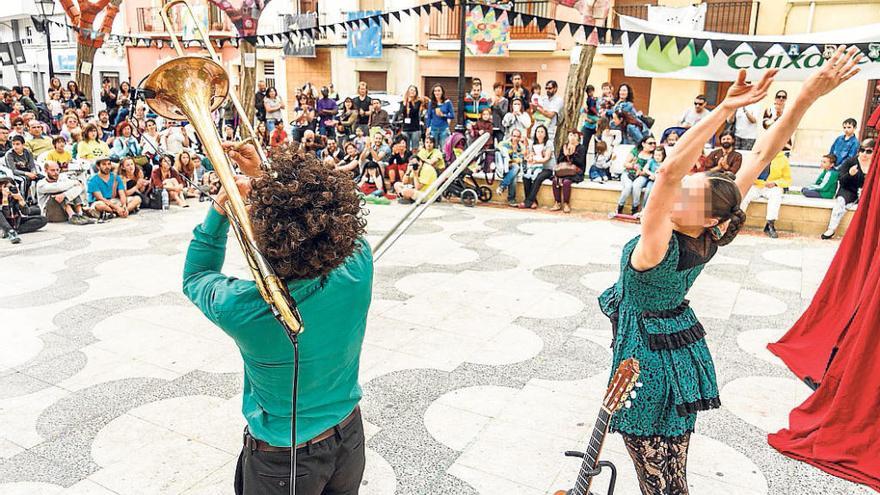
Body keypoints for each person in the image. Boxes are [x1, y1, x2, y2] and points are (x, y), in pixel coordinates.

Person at [599, 51, 856, 494]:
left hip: (647, 365)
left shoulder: (658, 244)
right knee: (672, 479)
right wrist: (808, 95)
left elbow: (665, 172)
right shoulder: (711, 227)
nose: (680, 190)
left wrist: (724, 108)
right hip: (676, 355)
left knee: (658, 481)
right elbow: (762, 151)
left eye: (689, 191)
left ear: (707, 216)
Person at [182, 142, 371, 495]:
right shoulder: (359, 264)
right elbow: (321, 219)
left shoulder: (246, 308)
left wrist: (222, 207)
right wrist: (265, 178)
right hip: (350, 436)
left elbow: (195, 276)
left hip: (284, 463)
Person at [821, 139, 873, 239]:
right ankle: (831, 229)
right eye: (862, 150)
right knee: (841, 202)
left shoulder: (875, 165)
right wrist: (850, 174)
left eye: (868, 151)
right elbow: (841, 180)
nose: (864, 154)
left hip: (867, 193)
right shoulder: (851, 162)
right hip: (849, 190)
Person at [740, 149, 792, 238]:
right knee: (744, 195)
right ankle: (737, 222)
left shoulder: (782, 158)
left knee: (776, 196)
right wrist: (758, 182)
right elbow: (747, 173)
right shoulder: (757, 156)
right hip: (756, 185)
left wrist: (775, 183)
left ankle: (770, 224)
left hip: (772, 186)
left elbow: (787, 179)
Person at [617, 136, 656, 215]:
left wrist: (642, 172)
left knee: (636, 186)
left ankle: (635, 208)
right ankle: (620, 206)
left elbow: (652, 170)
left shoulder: (654, 156)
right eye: (650, 143)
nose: (653, 145)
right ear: (643, 144)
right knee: (628, 187)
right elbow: (625, 164)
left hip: (642, 176)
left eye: (654, 143)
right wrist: (633, 166)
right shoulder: (636, 151)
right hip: (628, 173)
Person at [1, 176, 46, 243]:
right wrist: (5, 199)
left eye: (10, 187)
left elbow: (26, 212)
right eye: (4, 187)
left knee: (42, 219)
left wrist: (21, 200)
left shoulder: (15, 195)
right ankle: (10, 231)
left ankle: (11, 231)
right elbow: (6, 215)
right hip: (2, 223)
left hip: (16, 223)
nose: (8, 189)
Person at [551, 130, 586, 213]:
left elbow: (580, 162)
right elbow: (559, 160)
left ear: (578, 138)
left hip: (576, 171)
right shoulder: (564, 146)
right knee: (555, 181)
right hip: (563, 171)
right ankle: (557, 202)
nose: (572, 137)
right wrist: (565, 154)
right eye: (570, 135)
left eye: (575, 136)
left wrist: (571, 154)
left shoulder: (581, 148)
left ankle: (566, 204)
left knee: (566, 182)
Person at [520, 124, 554, 209]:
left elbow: (546, 158)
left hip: (547, 168)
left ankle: (527, 202)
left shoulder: (548, 143)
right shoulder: (533, 143)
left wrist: (536, 161)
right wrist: (529, 158)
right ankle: (533, 201)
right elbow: (530, 154)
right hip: (535, 167)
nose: (540, 133)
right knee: (526, 177)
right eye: (538, 131)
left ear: (545, 134)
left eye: (542, 132)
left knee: (538, 178)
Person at [5, 135, 39, 200]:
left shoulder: (28, 152)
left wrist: (34, 172)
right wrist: (27, 174)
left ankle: (36, 199)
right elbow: (13, 170)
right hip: (15, 174)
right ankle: (23, 200)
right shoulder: (9, 154)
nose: (15, 146)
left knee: (41, 178)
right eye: (13, 144)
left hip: (27, 171)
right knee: (24, 180)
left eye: (17, 144)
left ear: (23, 145)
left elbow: (32, 165)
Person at [497, 128, 525, 206]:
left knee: (515, 168)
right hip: (504, 167)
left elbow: (520, 160)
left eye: (518, 136)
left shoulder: (521, 147)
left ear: (520, 137)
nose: (515, 138)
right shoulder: (504, 143)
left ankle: (502, 186)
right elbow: (498, 150)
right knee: (514, 175)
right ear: (511, 136)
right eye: (514, 136)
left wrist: (514, 154)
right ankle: (511, 199)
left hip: (514, 167)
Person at [633, 144, 666, 208]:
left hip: (658, 181)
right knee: (642, 188)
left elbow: (663, 173)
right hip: (650, 178)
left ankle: (645, 208)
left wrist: (656, 176)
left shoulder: (664, 163)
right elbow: (645, 169)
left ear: (663, 155)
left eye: (659, 155)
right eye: (656, 155)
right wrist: (651, 174)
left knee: (649, 191)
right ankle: (639, 207)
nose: (657, 157)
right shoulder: (652, 161)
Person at [425, 84, 454, 148]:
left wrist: (443, 115)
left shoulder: (447, 102)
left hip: (443, 129)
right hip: (433, 129)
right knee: (433, 149)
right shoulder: (431, 103)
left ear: (442, 92)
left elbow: (452, 115)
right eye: (435, 91)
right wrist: (427, 128)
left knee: (444, 149)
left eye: (439, 91)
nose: (437, 92)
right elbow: (429, 116)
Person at [397, 85, 423, 150]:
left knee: (415, 148)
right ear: (408, 91)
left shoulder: (418, 102)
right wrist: (405, 103)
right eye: (411, 90)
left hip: (415, 128)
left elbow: (414, 111)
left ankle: (414, 159)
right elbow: (401, 112)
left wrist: (410, 102)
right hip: (405, 128)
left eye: (414, 90)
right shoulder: (403, 102)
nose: (412, 92)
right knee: (406, 148)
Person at [580, 85, 600, 151]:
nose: (590, 93)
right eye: (589, 91)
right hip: (588, 125)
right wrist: (587, 118)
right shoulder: (588, 100)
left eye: (591, 91)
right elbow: (582, 111)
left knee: (598, 146)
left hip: (597, 126)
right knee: (584, 146)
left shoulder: (597, 100)